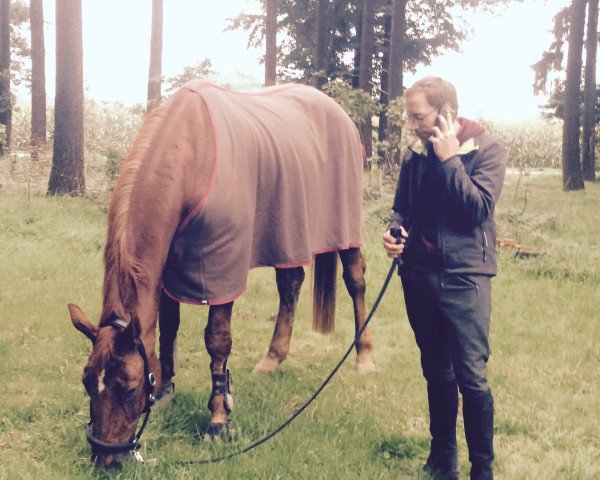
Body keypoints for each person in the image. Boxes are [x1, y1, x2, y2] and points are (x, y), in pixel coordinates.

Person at [382, 76, 507, 480]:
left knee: (471, 376)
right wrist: (394, 232)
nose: (413, 124)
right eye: (410, 116)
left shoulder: (487, 148)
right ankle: (443, 459)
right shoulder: (414, 154)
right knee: (436, 370)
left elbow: (476, 210)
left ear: (446, 112)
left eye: (419, 116)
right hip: (418, 276)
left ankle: (482, 470)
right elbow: (403, 208)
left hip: (464, 278)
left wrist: (450, 159)